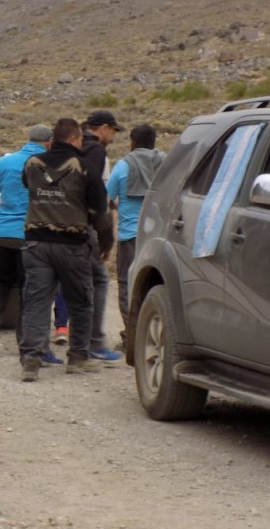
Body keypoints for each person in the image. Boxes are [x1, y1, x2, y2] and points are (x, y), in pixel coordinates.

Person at [18, 117, 113, 381]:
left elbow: (28, 186)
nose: (82, 143)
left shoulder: (32, 164)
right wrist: (106, 243)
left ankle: (30, 360)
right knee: (81, 300)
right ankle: (78, 358)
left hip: (36, 243)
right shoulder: (84, 168)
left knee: (36, 300)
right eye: (80, 139)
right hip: (72, 245)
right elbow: (99, 211)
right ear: (73, 139)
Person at [0, 124, 63, 364]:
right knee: (29, 292)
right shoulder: (48, 167)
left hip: (1, 233)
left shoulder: (5, 162)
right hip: (30, 239)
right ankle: (27, 342)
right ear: (49, 143)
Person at [106, 124, 165, 350]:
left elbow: (106, 197)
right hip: (158, 237)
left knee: (126, 286)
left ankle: (131, 338)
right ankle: (153, 334)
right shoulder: (166, 162)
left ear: (132, 142)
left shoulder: (123, 165)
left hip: (130, 237)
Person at [80, 109, 125, 362]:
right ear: (104, 127)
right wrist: (105, 236)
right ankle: (94, 342)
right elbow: (95, 193)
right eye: (114, 131)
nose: (113, 136)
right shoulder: (96, 150)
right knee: (98, 280)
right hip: (84, 226)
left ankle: (36, 346)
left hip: (54, 224)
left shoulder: (72, 145)